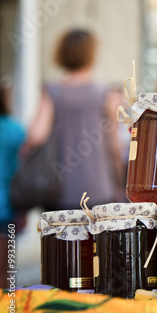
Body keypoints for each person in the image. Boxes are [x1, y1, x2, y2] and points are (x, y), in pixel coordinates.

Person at [24, 29, 124, 209]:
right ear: (91, 55)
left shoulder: (52, 92)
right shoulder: (105, 94)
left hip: (59, 192)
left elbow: (36, 135)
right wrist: (119, 180)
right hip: (100, 190)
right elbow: (114, 145)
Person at [0, 81, 25, 234]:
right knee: (7, 257)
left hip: (9, 206)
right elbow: (21, 172)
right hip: (8, 206)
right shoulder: (16, 131)